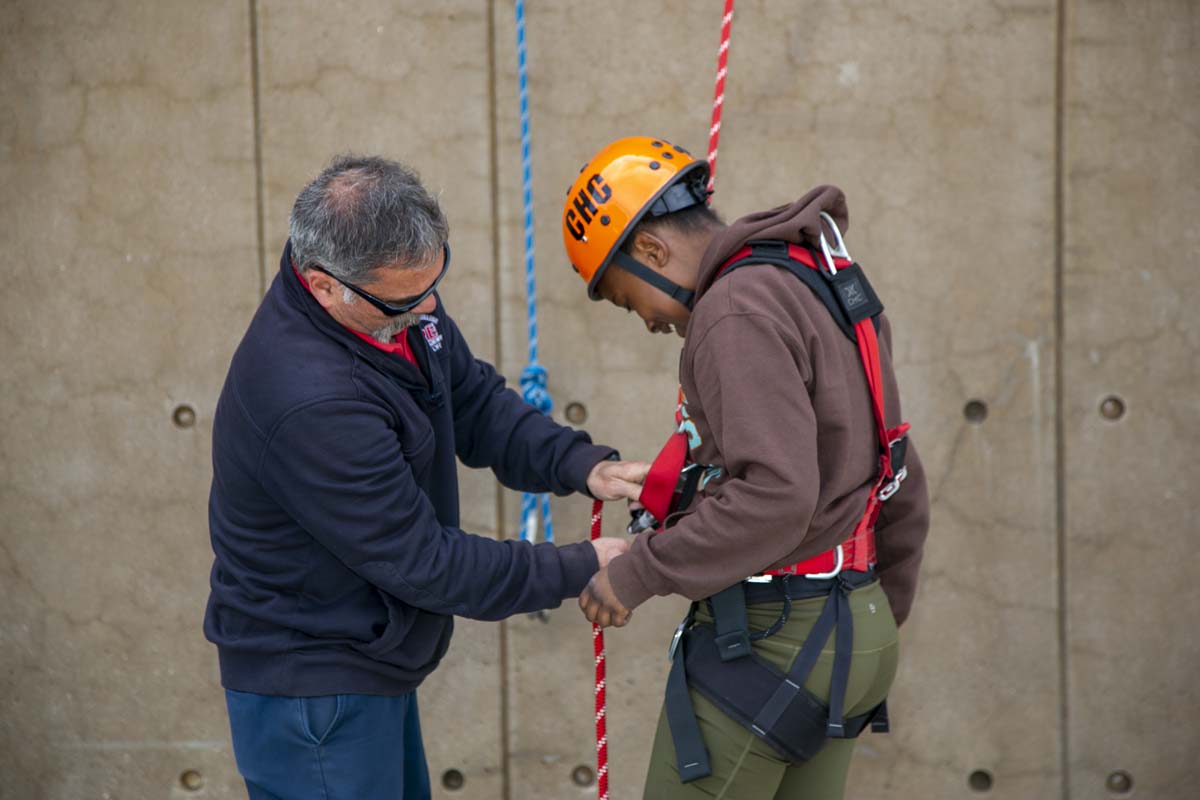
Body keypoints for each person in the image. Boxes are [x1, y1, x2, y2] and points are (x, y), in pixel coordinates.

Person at [204, 154, 647, 800]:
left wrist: (582, 465)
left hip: (366, 659)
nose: (430, 309)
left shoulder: (396, 306)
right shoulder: (313, 400)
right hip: (312, 691)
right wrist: (584, 563)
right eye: (407, 300)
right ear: (325, 286)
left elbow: (470, 401)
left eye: (434, 284)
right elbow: (428, 564)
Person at [563, 137, 930, 798]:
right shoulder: (815, 274)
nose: (646, 322)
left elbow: (777, 497)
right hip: (858, 625)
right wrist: (876, 607)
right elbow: (892, 457)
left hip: (781, 637)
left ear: (650, 250)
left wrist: (638, 572)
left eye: (626, 301)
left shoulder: (732, 311)